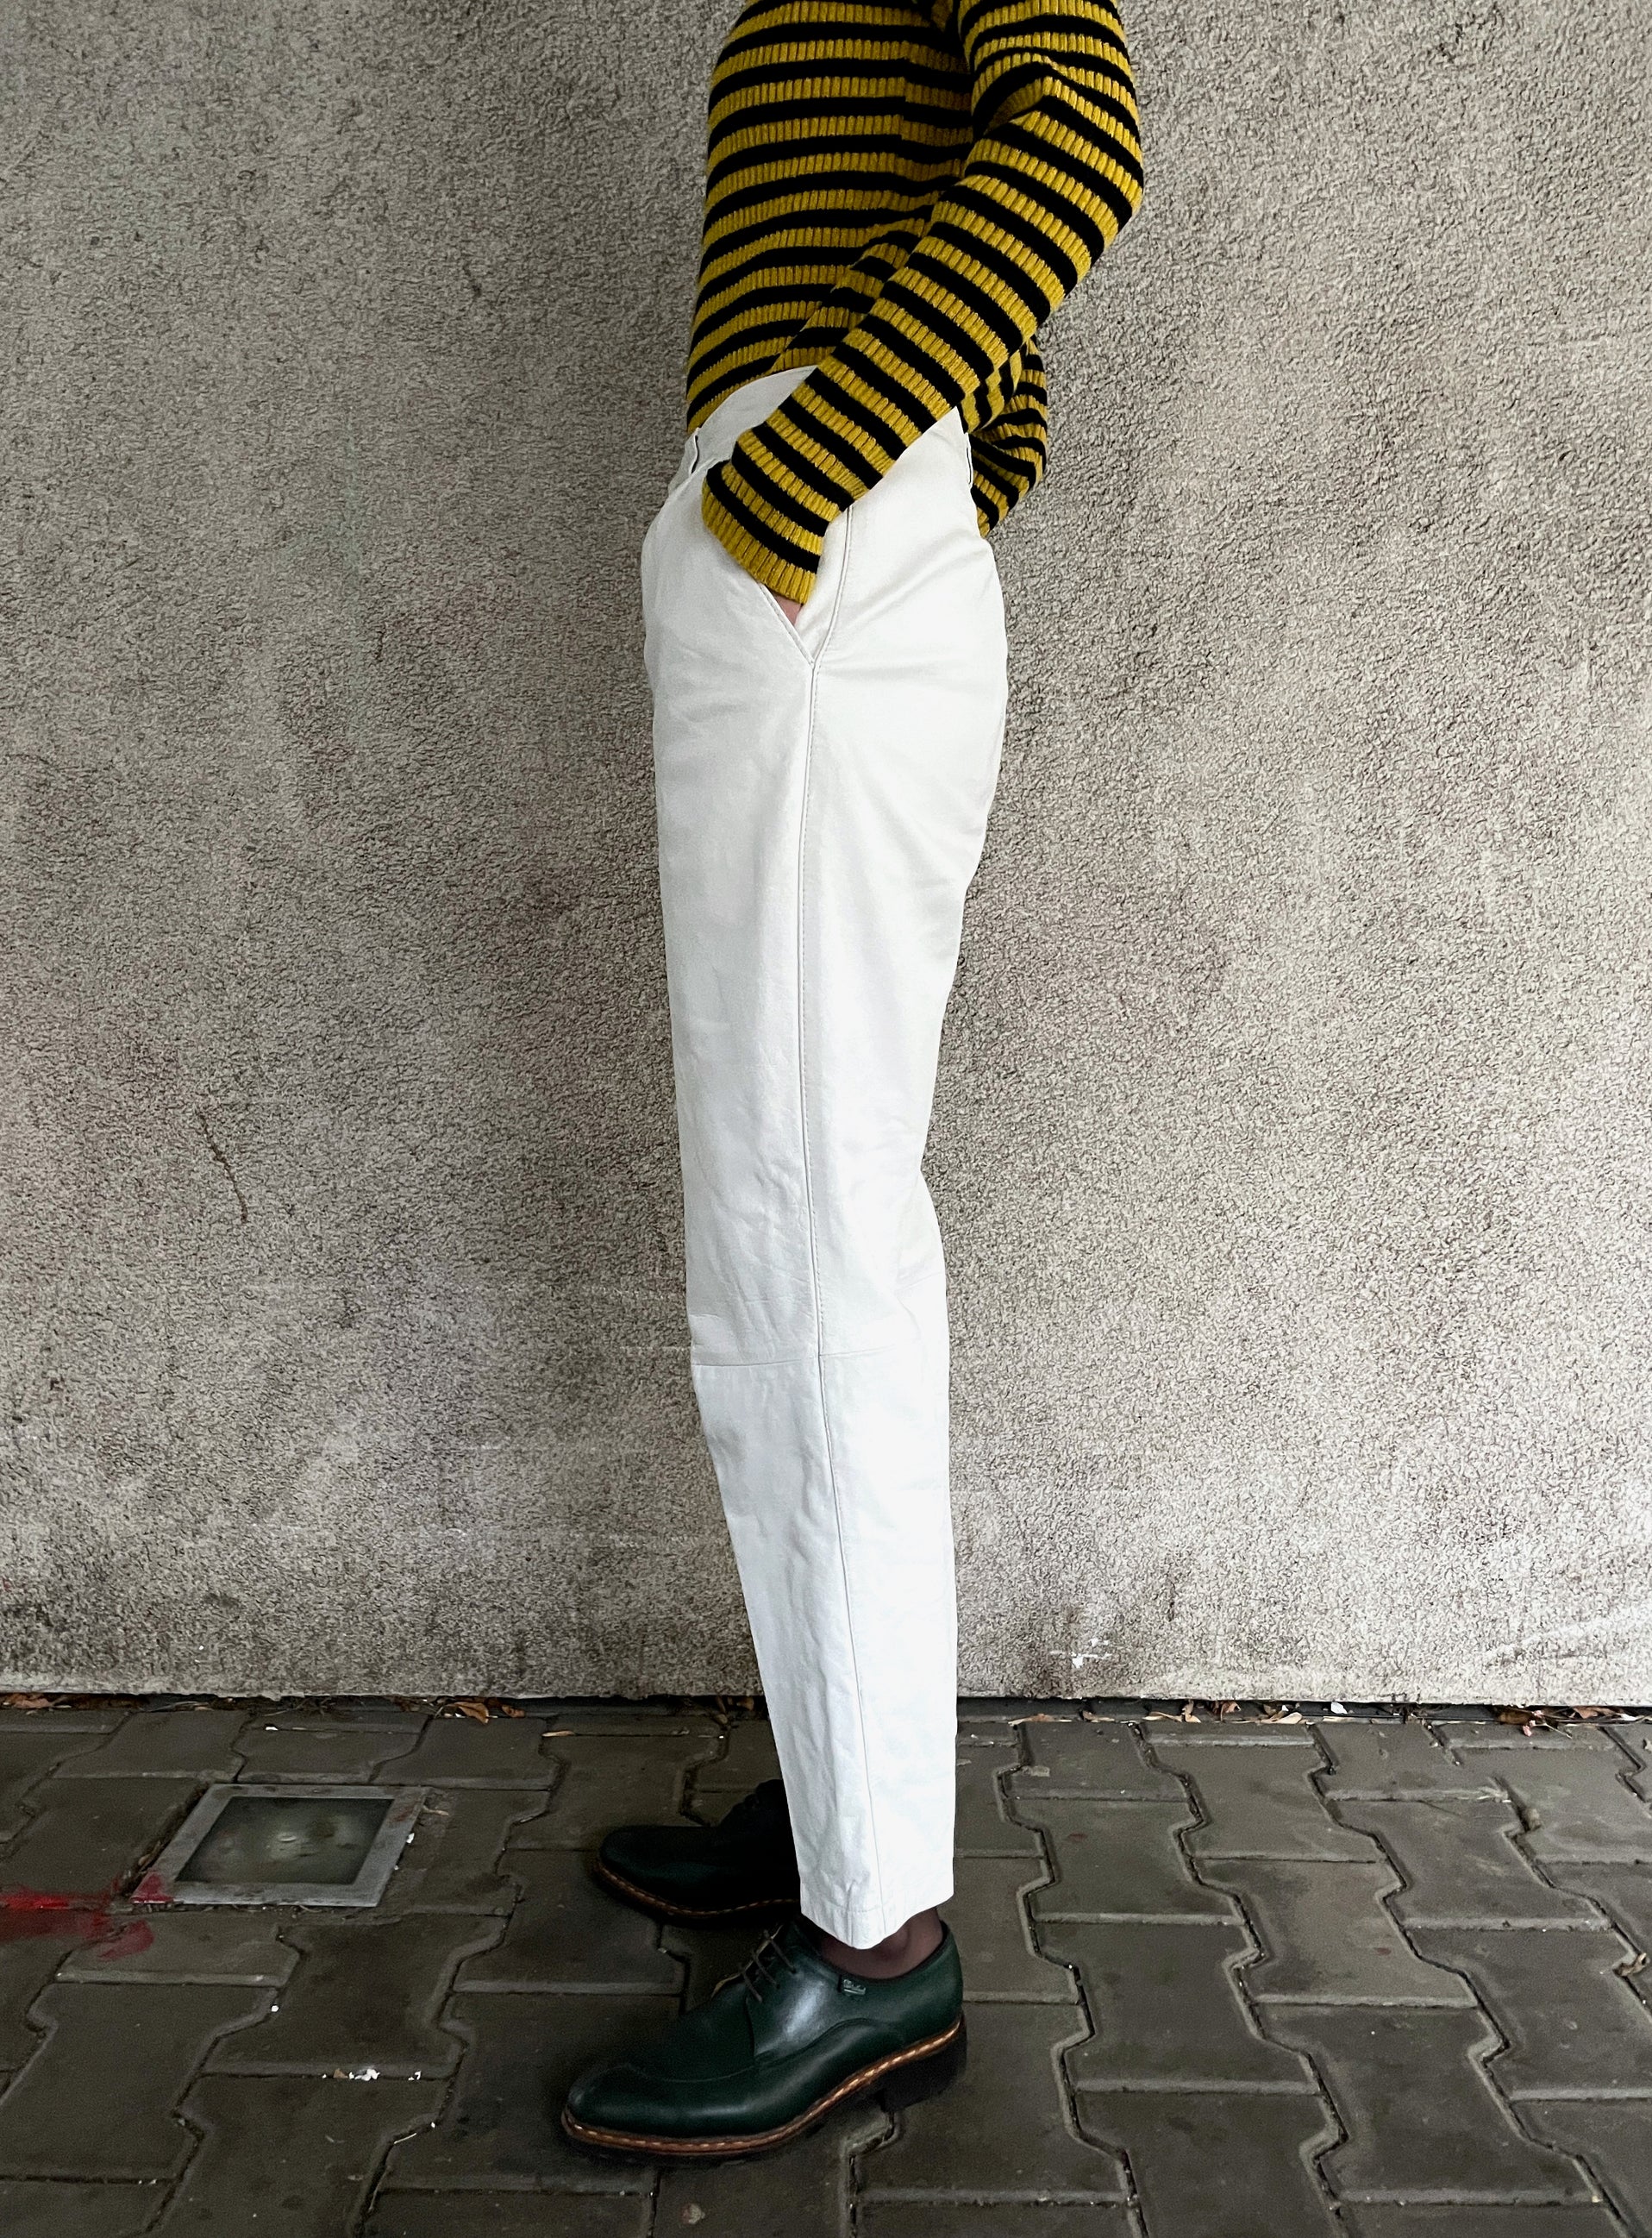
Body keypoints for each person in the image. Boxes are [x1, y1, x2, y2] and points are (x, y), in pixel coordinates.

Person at [562, 0, 1142, 2159]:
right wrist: (911, 476)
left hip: (813, 546)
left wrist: (811, 483)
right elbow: (987, 290)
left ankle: (875, 1936)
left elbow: (1079, 142)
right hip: (820, 546)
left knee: (803, 1241)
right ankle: (845, 1790)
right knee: (788, 1224)